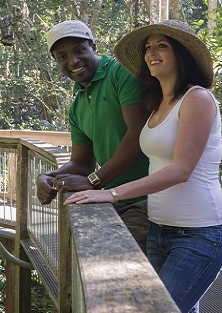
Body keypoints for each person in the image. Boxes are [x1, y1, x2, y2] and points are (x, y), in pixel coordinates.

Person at [65, 20, 222, 313]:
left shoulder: (197, 98)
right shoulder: (157, 105)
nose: (152, 52)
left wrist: (109, 191)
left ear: (181, 54)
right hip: (158, 229)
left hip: (199, 234)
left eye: (162, 46)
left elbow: (181, 170)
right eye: (147, 48)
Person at [36, 19, 151, 250]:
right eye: (62, 57)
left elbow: (139, 132)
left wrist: (95, 180)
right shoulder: (77, 105)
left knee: (116, 263)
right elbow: (81, 163)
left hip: (145, 198)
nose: (73, 61)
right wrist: (47, 176)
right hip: (111, 198)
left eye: (79, 50)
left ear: (93, 47)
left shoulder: (120, 73)